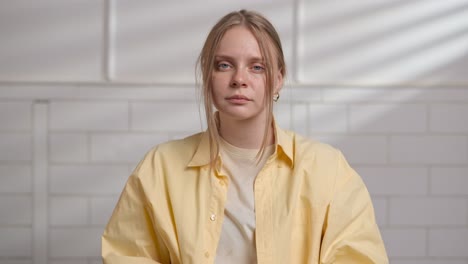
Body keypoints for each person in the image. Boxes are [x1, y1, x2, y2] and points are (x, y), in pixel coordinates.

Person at [101, 9, 388, 264]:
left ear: (278, 78)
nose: (239, 79)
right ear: (207, 73)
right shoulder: (160, 167)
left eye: (257, 67)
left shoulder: (328, 170)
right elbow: (125, 254)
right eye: (224, 65)